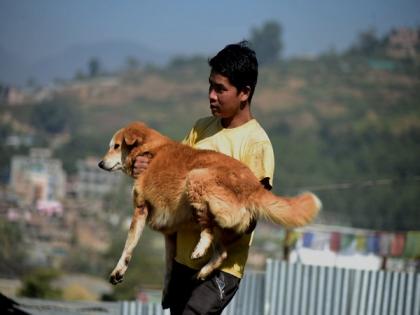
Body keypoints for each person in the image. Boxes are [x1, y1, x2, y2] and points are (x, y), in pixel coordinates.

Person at [134, 41, 275, 315]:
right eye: (210, 86)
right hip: (184, 260)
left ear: (244, 92)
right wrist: (146, 168)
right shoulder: (201, 128)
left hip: (220, 268)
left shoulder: (256, 144)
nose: (211, 95)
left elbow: (251, 218)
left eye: (220, 89)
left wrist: (213, 210)